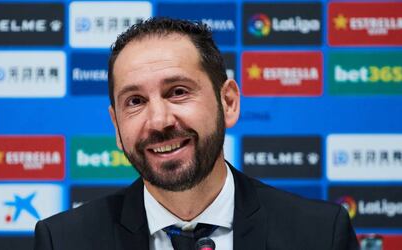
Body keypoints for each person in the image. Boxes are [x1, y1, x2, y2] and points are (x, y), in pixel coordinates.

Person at [34, 17, 359, 250]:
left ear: (228, 102)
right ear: (117, 127)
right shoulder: (62, 240)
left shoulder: (320, 234)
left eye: (177, 92)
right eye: (135, 101)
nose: (159, 121)